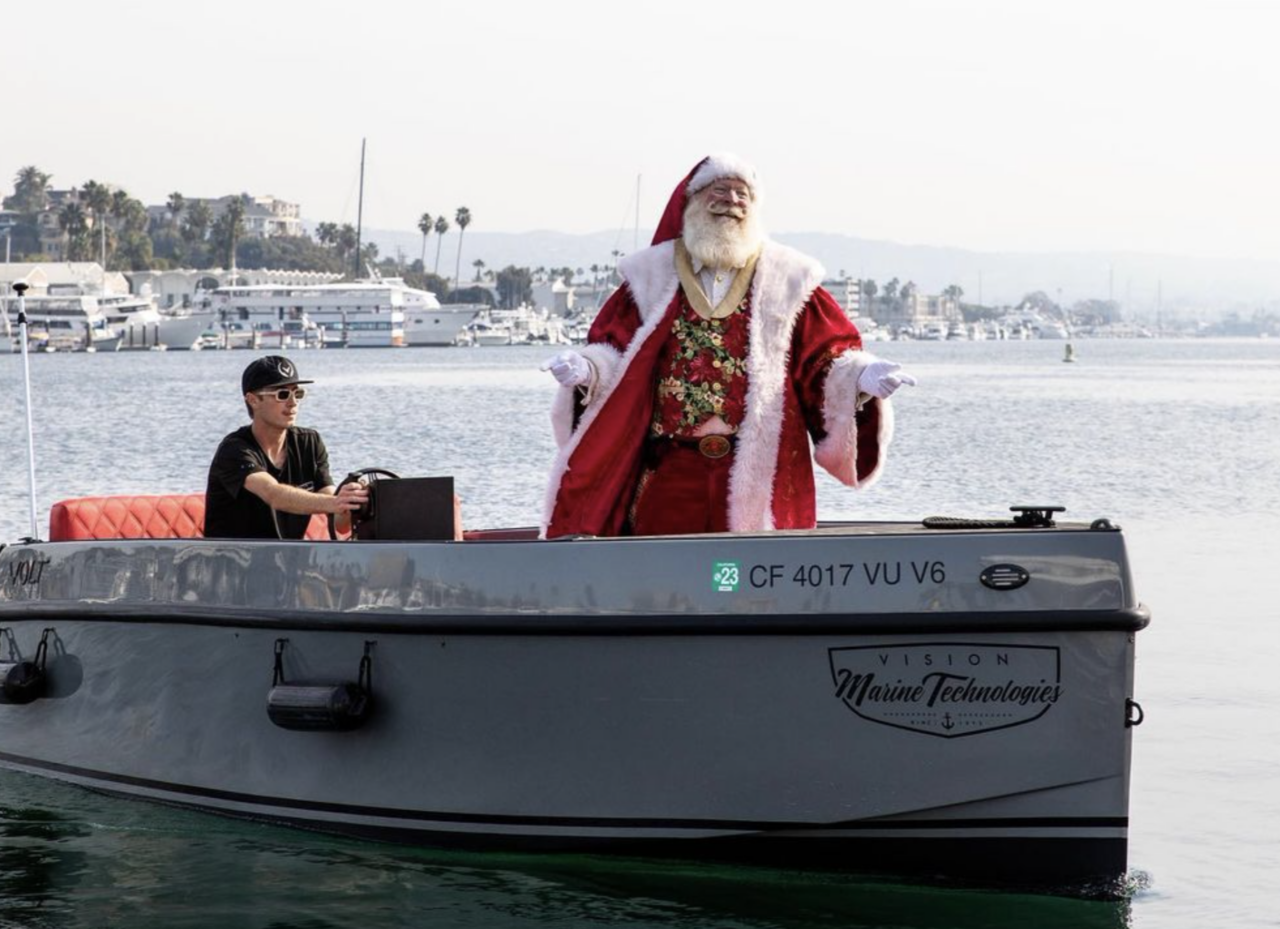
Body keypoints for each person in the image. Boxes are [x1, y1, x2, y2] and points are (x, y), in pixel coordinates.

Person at [540, 153, 916, 538]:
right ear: (693, 201)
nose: (733, 204)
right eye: (721, 192)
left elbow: (823, 357)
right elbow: (617, 351)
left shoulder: (788, 280)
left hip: (759, 467)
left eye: (742, 196)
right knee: (663, 572)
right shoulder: (650, 277)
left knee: (741, 579)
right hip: (668, 468)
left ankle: (740, 599)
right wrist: (587, 371)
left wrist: (860, 378)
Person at [204, 355, 367, 539]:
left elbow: (339, 522)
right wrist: (336, 502)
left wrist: (354, 501)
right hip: (231, 562)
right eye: (282, 394)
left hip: (286, 562)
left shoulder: (309, 443)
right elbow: (273, 494)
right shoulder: (234, 449)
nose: (293, 402)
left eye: (297, 393)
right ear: (253, 400)